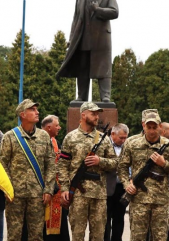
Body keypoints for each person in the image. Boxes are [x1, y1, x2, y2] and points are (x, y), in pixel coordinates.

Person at [118, 111, 169, 241]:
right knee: (137, 238)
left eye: (155, 127)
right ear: (143, 125)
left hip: (161, 202)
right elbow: (122, 167)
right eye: (149, 127)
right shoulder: (132, 143)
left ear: (160, 126)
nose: (152, 131)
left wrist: (164, 164)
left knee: (160, 238)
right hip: (138, 201)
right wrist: (127, 184)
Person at [0, 99, 56, 241]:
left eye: (36, 109)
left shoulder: (44, 136)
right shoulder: (10, 137)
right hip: (15, 195)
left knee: (36, 235)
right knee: (14, 235)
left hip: (38, 194)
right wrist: (8, 188)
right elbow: (2, 164)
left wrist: (48, 189)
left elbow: (51, 164)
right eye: (32, 110)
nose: (37, 112)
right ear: (22, 114)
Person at [59, 102, 117, 241]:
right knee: (77, 235)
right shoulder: (70, 137)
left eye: (98, 114)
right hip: (78, 195)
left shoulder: (104, 139)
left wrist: (100, 161)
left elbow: (116, 163)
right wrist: (65, 189)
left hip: (99, 195)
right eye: (93, 114)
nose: (97, 117)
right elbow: (62, 165)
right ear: (83, 115)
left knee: (98, 236)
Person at [56, 0, 119, 102]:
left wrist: (97, 10)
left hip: (101, 38)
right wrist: (71, 38)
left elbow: (114, 12)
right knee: (83, 67)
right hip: (83, 37)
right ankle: (81, 96)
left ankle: (105, 96)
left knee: (103, 66)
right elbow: (76, 19)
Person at [40, 115, 70, 241]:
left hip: (56, 188)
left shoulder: (55, 142)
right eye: (57, 125)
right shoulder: (38, 140)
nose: (59, 127)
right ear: (49, 127)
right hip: (42, 188)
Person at [105, 123, 128, 241]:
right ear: (113, 134)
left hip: (121, 188)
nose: (123, 140)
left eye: (125, 138)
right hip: (106, 187)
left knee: (119, 218)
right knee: (105, 219)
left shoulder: (127, 146)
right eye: (121, 138)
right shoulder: (104, 143)